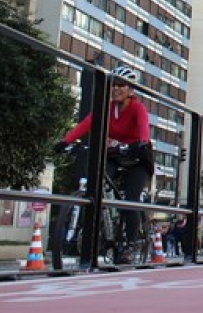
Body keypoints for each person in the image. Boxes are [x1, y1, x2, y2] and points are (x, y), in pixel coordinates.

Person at [57, 65, 153, 263]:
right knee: (96, 183)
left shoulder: (137, 108)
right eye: (113, 85)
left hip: (137, 158)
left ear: (131, 90)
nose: (116, 88)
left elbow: (144, 128)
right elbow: (86, 123)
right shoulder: (106, 108)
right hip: (114, 155)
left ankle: (130, 244)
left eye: (121, 85)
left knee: (130, 199)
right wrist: (65, 141)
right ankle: (102, 229)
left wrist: (142, 143)